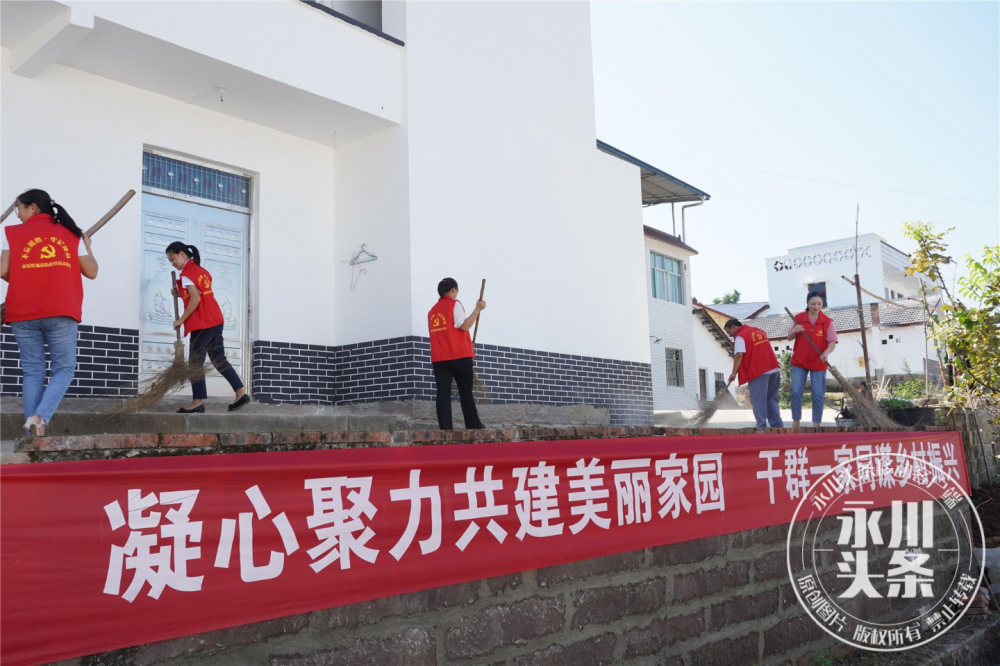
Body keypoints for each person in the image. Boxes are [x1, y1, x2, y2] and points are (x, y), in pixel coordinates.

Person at [1, 189, 98, 436]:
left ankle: (34, 434)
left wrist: (29, 276)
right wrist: (87, 245)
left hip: (22, 312)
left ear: (32, 207)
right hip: (60, 310)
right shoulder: (70, 234)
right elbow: (92, 271)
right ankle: (40, 417)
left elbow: (3, 271)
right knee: (63, 369)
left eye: (19, 209)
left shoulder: (12, 234)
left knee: (33, 371)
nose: (18, 215)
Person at [165, 241, 249, 413]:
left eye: (172, 258)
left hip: (203, 322)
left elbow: (195, 299)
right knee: (218, 359)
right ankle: (240, 393)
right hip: (215, 319)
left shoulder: (187, 273)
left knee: (195, 362)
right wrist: (180, 293)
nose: (172, 263)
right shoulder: (201, 271)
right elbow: (197, 294)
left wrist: (181, 319)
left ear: (182, 254)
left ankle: (197, 402)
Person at [428, 277, 485, 430]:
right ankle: (473, 426)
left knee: (443, 394)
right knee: (466, 393)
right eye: (456, 291)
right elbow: (463, 325)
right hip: (459, 357)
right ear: (453, 290)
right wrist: (477, 310)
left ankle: (445, 429)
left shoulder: (432, 312)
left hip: (440, 359)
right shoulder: (455, 304)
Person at [787, 290, 838, 428]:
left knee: (817, 394)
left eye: (819, 304)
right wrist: (795, 330)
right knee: (796, 392)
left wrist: (826, 353)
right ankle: (796, 421)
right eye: (813, 303)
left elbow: (832, 342)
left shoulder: (827, 322)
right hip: (799, 362)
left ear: (823, 304)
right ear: (807, 303)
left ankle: (816, 424)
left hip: (819, 363)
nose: (816, 306)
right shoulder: (799, 318)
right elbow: (789, 337)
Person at [724, 318, 783, 429]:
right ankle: (777, 426)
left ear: (734, 327)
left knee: (758, 400)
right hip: (773, 368)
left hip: (759, 371)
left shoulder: (741, 336)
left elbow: (739, 355)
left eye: (729, 332)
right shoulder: (758, 330)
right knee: (771, 399)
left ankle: (761, 426)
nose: (730, 335)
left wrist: (733, 373)